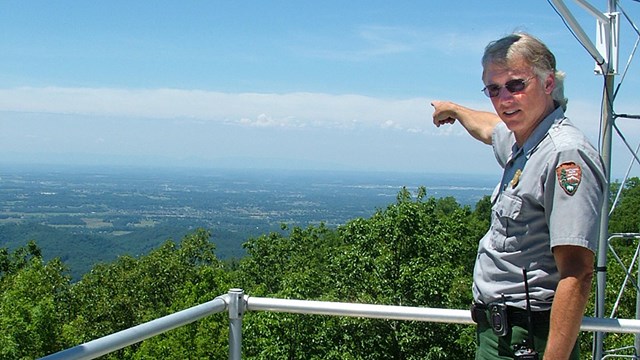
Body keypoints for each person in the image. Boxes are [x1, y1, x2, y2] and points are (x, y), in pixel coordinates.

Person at [431, 32, 606, 359]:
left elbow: (577, 272)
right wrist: (453, 109)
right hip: (498, 333)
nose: (504, 99)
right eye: (493, 89)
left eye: (515, 85)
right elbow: (488, 128)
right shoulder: (522, 140)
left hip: (529, 337)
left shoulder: (564, 154)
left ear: (548, 83)